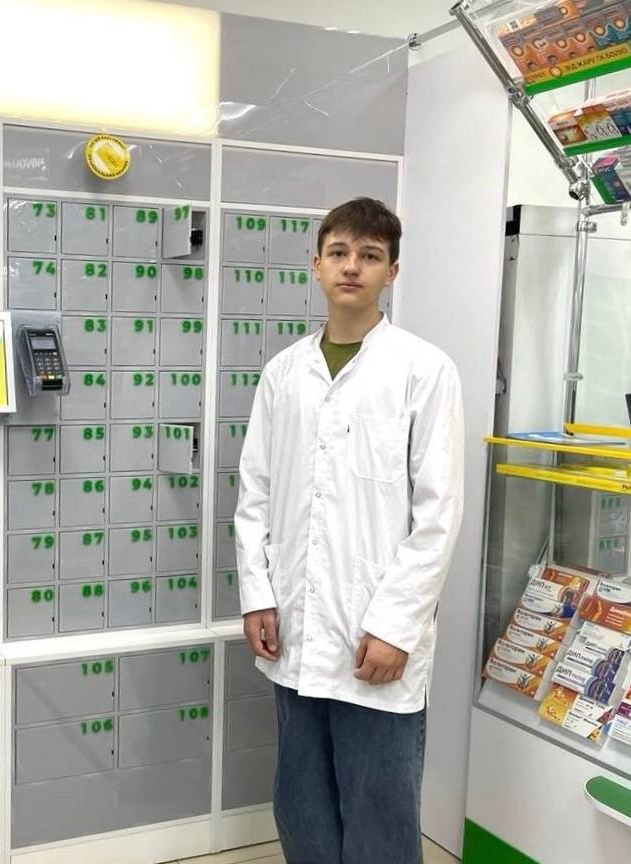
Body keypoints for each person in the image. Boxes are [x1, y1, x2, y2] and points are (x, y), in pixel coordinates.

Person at [235, 197, 464, 864]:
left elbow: (438, 513)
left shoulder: (424, 370)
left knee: (379, 804)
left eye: (369, 256)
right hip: (295, 622)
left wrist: (395, 625)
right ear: (316, 264)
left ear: (392, 271)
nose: (351, 267)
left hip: (376, 633)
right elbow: (255, 492)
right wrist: (257, 593)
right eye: (338, 252)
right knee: (300, 797)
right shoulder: (284, 372)